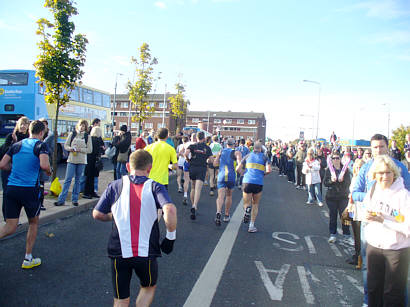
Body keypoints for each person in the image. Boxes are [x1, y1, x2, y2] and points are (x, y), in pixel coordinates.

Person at [92, 149, 177, 307]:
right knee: (148, 287)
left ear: (127, 166)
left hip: (119, 251)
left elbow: (97, 214)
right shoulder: (155, 187)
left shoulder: (115, 186)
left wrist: (112, 216)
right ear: (149, 168)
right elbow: (170, 209)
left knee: (120, 298)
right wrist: (170, 237)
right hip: (146, 252)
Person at [352, 133, 410, 307]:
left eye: (387, 173)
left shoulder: (402, 187)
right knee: (373, 284)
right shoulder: (370, 180)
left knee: (394, 291)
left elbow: (404, 220)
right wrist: (370, 209)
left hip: (396, 246)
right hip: (374, 240)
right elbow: (356, 194)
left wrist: (384, 217)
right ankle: (367, 302)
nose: (384, 177)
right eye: (380, 174)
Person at [0, 120, 51, 269]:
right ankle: (28, 258)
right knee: (33, 222)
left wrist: (15, 168)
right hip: (29, 189)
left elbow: (2, 164)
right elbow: (44, 165)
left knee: (10, 226)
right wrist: (49, 172)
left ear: (29, 130)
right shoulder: (41, 145)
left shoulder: (16, 145)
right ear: (41, 133)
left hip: (12, 189)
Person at [54, 119, 92, 207]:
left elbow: (90, 150)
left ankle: (75, 199)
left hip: (82, 161)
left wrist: (80, 150)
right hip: (71, 160)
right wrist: (70, 148)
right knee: (67, 180)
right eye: (81, 125)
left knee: (78, 180)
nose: (82, 127)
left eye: (84, 126)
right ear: (78, 126)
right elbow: (66, 145)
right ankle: (61, 199)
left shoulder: (87, 137)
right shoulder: (72, 134)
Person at [236, 141, 271, 233]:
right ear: (261, 148)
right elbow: (269, 170)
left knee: (246, 202)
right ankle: (251, 225)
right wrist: (263, 174)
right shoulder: (265, 157)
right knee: (255, 204)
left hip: (247, 181)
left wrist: (243, 173)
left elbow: (238, 168)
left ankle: (247, 210)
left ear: (253, 148)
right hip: (258, 182)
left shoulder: (247, 156)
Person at [0, 116, 30, 219]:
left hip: (21, 170)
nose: (23, 126)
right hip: (8, 168)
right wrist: (14, 143)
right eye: (21, 124)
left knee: (18, 194)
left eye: (25, 124)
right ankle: (7, 216)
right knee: (7, 193)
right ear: (17, 125)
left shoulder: (29, 138)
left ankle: (14, 217)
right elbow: (4, 152)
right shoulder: (11, 136)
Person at [323, 151, 352, 244]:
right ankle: (333, 234)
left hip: (343, 196)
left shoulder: (345, 169)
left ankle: (347, 235)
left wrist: (342, 180)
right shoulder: (329, 170)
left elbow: (348, 182)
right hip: (331, 197)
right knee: (333, 215)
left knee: (345, 216)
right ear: (331, 160)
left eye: (337, 158)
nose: (335, 160)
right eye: (334, 158)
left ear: (340, 159)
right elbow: (325, 183)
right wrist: (331, 180)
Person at [184, 131, 213, 220]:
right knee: (198, 189)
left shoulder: (192, 146)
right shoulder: (207, 148)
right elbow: (211, 160)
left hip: (192, 167)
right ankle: (195, 205)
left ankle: (193, 204)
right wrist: (207, 160)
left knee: (192, 187)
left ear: (196, 138)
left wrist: (188, 160)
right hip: (201, 168)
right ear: (204, 138)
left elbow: (185, 153)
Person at [213, 138, 242, 225]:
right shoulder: (237, 152)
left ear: (226, 144)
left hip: (221, 176)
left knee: (220, 196)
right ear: (234, 144)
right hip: (231, 176)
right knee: (229, 196)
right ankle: (226, 215)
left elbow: (215, 164)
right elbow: (240, 164)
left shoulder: (221, 151)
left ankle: (218, 212)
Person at [346, 158, 366, 268]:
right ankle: (357, 255)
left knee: (361, 236)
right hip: (354, 210)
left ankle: (361, 259)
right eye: (357, 167)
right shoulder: (354, 178)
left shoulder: (365, 180)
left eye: (360, 167)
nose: (358, 169)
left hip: (361, 210)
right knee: (356, 235)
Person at [83, 126, 104, 199]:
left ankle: (89, 192)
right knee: (90, 178)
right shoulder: (96, 140)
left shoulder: (90, 139)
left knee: (89, 177)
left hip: (89, 160)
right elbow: (98, 151)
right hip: (93, 160)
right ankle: (88, 192)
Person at [38, 118, 54, 211]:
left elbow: (52, 149)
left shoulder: (50, 136)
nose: (44, 126)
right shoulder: (36, 135)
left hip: (45, 161)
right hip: (36, 163)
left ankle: (41, 203)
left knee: (42, 184)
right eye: (42, 124)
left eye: (45, 124)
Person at [182, 133, 196, 205]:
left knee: (186, 180)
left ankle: (185, 195)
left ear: (190, 137)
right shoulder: (197, 144)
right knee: (193, 182)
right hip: (194, 163)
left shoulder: (186, 144)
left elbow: (182, 152)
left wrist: (186, 159)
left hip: (187, 162)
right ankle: (194, 201)